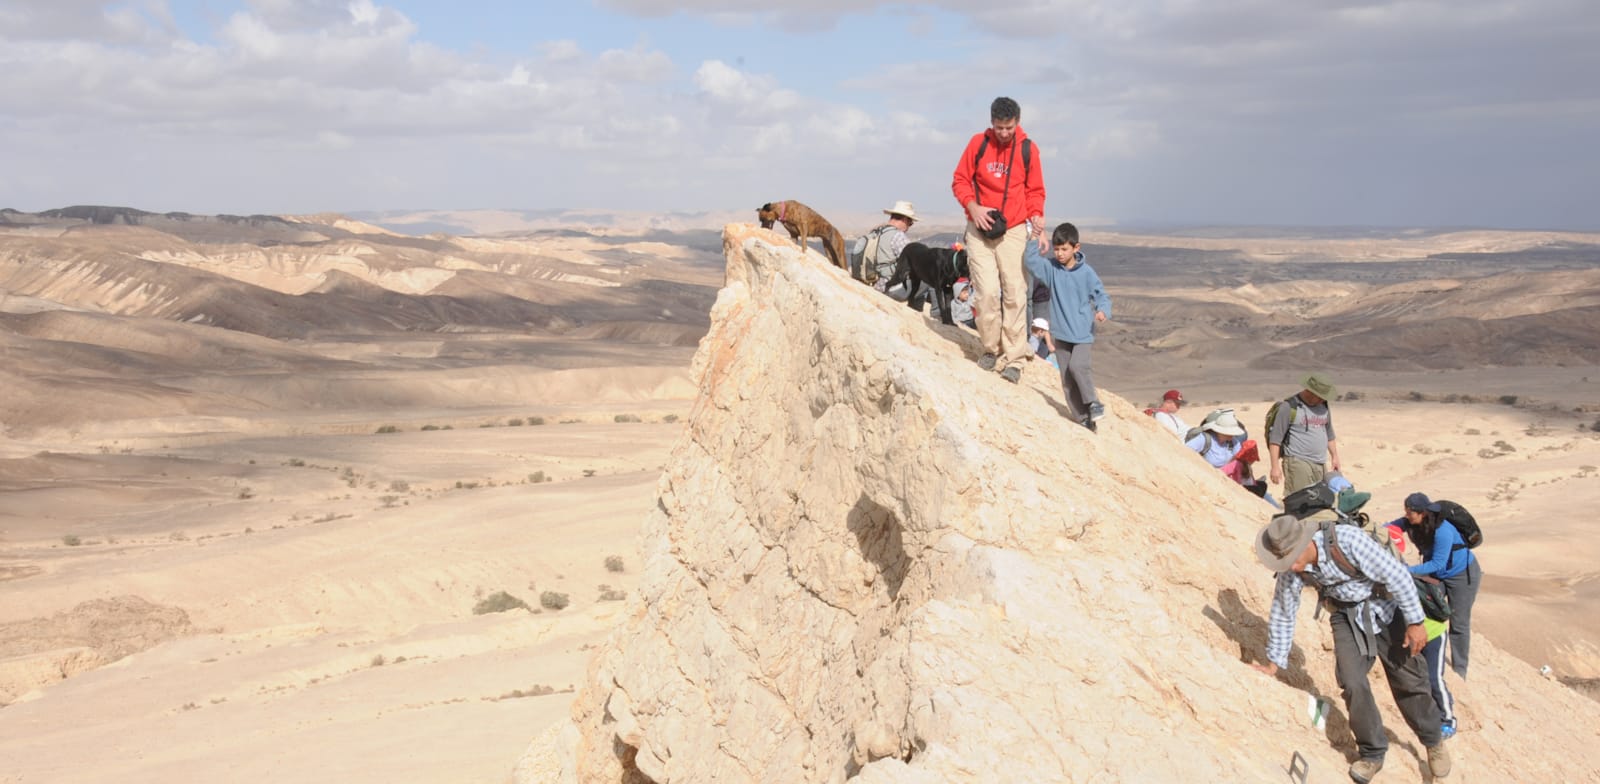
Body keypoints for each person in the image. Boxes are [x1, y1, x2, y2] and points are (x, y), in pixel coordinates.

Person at [1251, 515, 1450, 783]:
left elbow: (1398, 576)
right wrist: (1274, 662)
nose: (1290, 567)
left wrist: (1415, 622)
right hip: (1346, 616)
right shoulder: (1293, 569)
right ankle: (1372, 752)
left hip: (1386, 608)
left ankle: (1433, 740)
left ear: (1305, 543)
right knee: (1351, 681)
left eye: (1291, 559)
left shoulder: (1348, 540)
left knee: (1408, 680)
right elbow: (1283, 610)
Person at [951, 96, 1046, 384]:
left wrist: (1037, 218)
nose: (1004, 133)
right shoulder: (978, 144)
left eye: (1009, 128)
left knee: (1016, 293)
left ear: (1017, 123)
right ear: (991, 123)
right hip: (979, 228)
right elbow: (960, 180)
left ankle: (1015, 359)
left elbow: (1035, 190)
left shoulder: (1028, 149)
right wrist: (973, 207)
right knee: (987, 292)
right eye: (999, 127)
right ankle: (991, 349)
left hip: (1014, 228)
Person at [1023, 222, 1109, 431]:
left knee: (1078, 366)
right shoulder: (1051, 269)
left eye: (1064, 249)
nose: (1060, 254)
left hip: (1082, 333)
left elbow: (1101, 295)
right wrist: (1033, 239)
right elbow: (1031, 261)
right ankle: (1083, 418)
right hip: (1061, 334)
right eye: (1056, 249)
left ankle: (1093, 403)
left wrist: (1103, 310)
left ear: (1076, 247)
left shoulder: (1086, 273)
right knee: (1067, 379)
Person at [1390, 492, 1482, 680]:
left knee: (1459, 621)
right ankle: (1425, 654)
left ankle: (1460, 671)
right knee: (1428, 610)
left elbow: (1437, 564)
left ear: (1422, 513)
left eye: (1409, 512)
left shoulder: (1443, 530)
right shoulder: (1412, 521)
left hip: (1461, 574)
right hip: (1438, 576)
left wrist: (1406, 570)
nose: (1406, 516)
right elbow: (1391, 527)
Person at [1386, 521, 1459, 739]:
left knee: (1434, 678)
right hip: (1413, 635)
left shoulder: (1403, 575)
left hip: (1433, 632)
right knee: (1422, 678)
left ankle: (1448, 719)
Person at [1267, 373, 1341, 495]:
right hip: (1298, 462)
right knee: (1300, 499)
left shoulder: (1323, 405)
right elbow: (1275, 439)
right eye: (1320, 396)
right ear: (1310, 391)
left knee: (1319, 500)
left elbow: (1329, 433)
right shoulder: (1289, 407)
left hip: (1320, 463)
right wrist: (1275, 467)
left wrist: (1335, 456)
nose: (1322, 399)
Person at [863, 200, 917, 296]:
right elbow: (914, 263)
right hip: (888, 288)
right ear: (905, 219)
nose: (909, 227)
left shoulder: (875, 232)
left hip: (871, 283)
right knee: (928, 279)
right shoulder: (898, 236)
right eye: (910, 223)